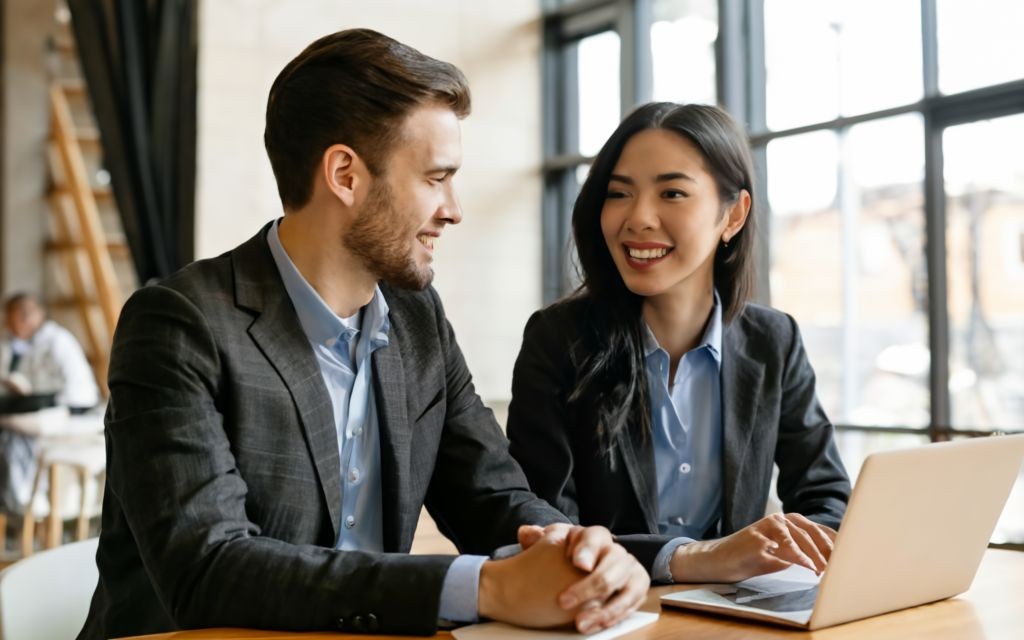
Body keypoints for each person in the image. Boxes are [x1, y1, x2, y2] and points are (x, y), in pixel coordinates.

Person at [77, 29, 648, 640]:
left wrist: (571, 551)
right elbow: (209, 570)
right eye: (435, 178)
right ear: (345, 174)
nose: (453, 209)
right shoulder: (178, 325)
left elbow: (491, 494)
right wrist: (482, 586)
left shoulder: (417, 318)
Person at [507, 102, 852, 585]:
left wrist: (795, 549)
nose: (639, 218)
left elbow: (826, 495)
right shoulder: (558, 339)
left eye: (672, 192)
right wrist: (690, 558)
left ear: (732, 215)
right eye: (618, 193)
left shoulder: (774, 340)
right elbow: (545, 527)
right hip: (605, 609)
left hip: (734, 611)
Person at [0, 293, 99, 515]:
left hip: (71, 410)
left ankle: (24, 503)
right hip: (46, 408)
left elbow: (66, 389)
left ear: (27, 316)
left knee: (11, 434)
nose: (7, 324)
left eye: (10, 317)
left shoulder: (56, 341)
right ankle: (16, 503)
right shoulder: (22, 343)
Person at [0, 292, 98, 411]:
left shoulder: (56, 340)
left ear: (23, 317)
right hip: (56, 399)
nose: (7, 326)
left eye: (9, 320)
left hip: (73, 403)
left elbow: (47, 386)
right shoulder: (29, 341)